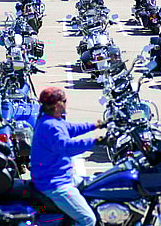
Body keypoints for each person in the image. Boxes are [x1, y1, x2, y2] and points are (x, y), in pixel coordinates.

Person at [31, 87, 106, 226]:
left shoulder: (52, 120)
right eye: (64, 101)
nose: (66, 104)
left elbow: (71, 128)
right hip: (55, 183)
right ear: (57, 104)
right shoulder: (50, 126)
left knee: (97, 184)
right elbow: (67, 147)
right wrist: (97, 141)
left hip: (61, 176)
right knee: (88, 220)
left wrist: (97, 125)